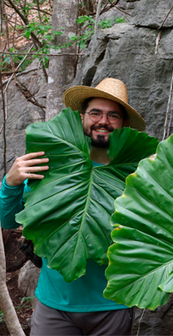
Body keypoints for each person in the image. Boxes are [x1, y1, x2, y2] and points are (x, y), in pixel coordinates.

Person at [0, 78, 145, 335]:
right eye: (96, 113)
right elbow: (9, 221)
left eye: (113, 115)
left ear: (123, 124)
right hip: (55, 304)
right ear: (81, 118)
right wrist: (10, 184)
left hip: (111, 303)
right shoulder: (54, 164)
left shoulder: (136, 171)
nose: (103, 121)